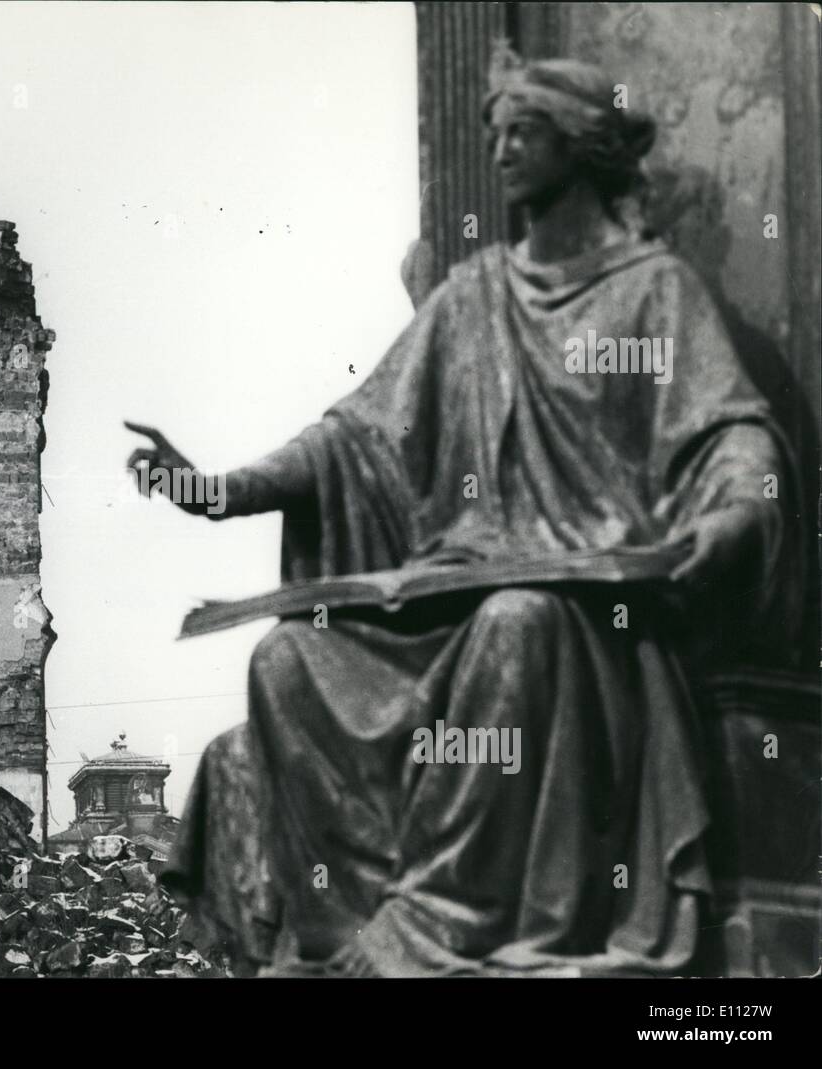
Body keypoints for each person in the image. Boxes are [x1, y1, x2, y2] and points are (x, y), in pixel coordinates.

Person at [123, 46, 801, 977]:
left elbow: (733, 433)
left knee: (515, 627)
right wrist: (219, 488)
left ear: (583, 145)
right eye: (496, 132)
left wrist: (731, 518)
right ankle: (338, 934)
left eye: (527, 130)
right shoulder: (472, 298)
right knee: (285, 659)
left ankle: (441, 924)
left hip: (585, 616)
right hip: (450, 596)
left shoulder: (655, 291)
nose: (505, 149)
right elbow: (351, 440)